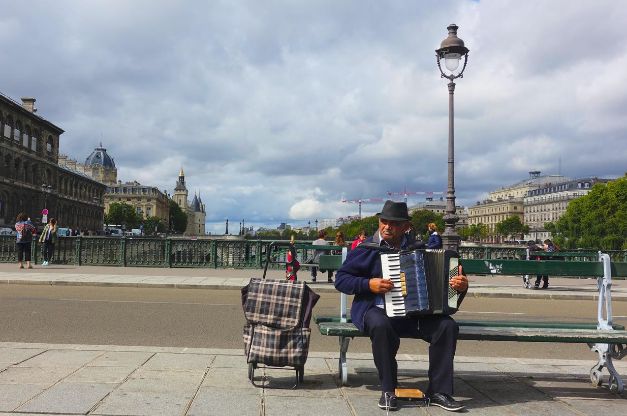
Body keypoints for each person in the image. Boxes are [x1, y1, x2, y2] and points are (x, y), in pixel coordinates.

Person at [335, 200, 468, 412]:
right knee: (380, 325)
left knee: (446, 326)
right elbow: (341, 279)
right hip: (376, 310)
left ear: (406, 226)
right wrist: (369, 284)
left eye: (394, 223)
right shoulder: (367, 249)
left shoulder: (417, 249)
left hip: (414, 315)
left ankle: (439, 391)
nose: (387, 226)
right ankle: (388, 389)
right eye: (384, 221)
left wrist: (460, 286)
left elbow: (446, 291)